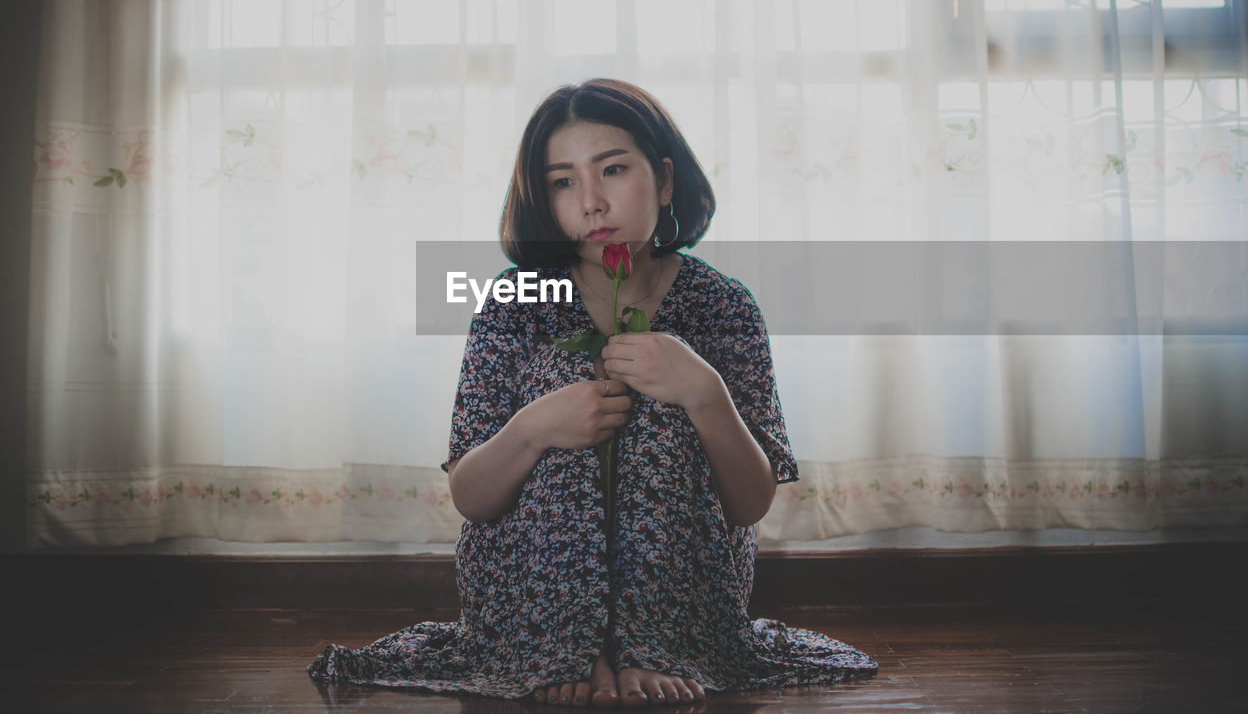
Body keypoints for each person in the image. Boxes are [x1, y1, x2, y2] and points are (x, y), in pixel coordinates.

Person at [307, 78, 879, 705]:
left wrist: (706, 394)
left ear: (663, 179)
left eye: (612, 170)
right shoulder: (516, 300)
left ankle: (652, 641)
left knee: (667, 396)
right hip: (531, 607)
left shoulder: (723, 305)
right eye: (562, 181)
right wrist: (532, 429)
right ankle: (566, 647)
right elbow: (472, 497)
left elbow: (750, 504)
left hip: (685, 603)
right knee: (559, 380)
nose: (591, 202)